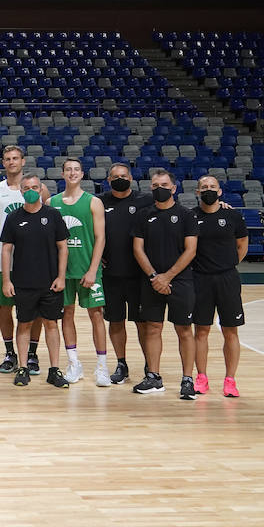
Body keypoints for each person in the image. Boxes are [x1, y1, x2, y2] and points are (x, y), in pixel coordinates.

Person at [131, 168, 199, 399]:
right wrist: (153, 277)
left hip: (180, 281)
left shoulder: (186, 215)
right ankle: (154, 377)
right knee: (153, 327)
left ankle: (187, 380)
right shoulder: (143, 215)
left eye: (164, 185)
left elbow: (191, 250)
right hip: (150, 281)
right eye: (155, 185)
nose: (160, 189)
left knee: (184, 330)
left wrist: (167, 276)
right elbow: (137, 248)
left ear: (174, 188)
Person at [0, 174, 70, 389]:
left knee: (51, 324)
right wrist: (6, 280)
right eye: (26, 187)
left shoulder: (53, 215)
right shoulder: (13, 217)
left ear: (41, 190)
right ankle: (22, 368)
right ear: (21, 191)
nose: (31, 190)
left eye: (35, 187)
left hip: (50, 282)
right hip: (23, 282)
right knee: (24, 324)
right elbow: (6, 250)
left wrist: (61, 276)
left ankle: (54, 370)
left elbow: (63, 248)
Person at [0, 145, 47, 374]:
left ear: (22, 161)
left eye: (15, 158)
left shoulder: (39, 188)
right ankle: (10, 352)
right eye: (7, 159)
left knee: (36, 310)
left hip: (35, 260)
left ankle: (31, 354)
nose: (11, 162)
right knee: (5, 307)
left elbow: (45, 218)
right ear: (3, 163)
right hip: (5, 259)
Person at [49, 158, 109, 386]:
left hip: (88, 271)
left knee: (96, 316)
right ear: (62, 173)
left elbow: (100, 238)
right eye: (68, 170)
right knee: (67, 315)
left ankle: (102, 366)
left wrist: (93, 269)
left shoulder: (93, 202)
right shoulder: (52, 202)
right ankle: (74, 363)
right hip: (63, 272)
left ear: (82, 174)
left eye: (76, 170)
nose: (72, 173)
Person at [191, 175, 249, 398]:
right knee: (201, 330)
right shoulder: (191, 216)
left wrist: (230, 263)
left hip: (227, 279)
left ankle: (230, 380)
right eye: (204, 187)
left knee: (230, 331)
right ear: (197, 192)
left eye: (212, 187)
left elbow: (242, 244)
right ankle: (202, 377)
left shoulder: (232, 215)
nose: (208, 190)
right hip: (200, 279)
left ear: (220, 191)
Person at [97, 162, 151, 385]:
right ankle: (121, 364)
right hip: (111, 273)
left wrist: (222, 205)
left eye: (124, 175)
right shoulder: (100, 201)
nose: (120, 179)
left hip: (139, 274)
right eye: (115, 176)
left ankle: (151, 365)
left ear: (131, 178)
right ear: (108, 180)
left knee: (143, 323)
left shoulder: (145, 200)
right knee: (116, 321)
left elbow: (172, 210)